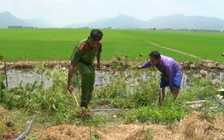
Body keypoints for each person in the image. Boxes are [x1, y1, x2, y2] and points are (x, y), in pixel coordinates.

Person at [67, 29, 103, 109]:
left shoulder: (98, 44)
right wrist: (69, 83)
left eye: (96, 43)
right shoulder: (81, 46)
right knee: (87, 73)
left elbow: (98, 52)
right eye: (93, 42)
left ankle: (85, 105)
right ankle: (83, 100)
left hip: (90, 63)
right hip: (79, 62)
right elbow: (72, 65)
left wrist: (98, 63)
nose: (94, 45)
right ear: (89, 37)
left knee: (91, 83)